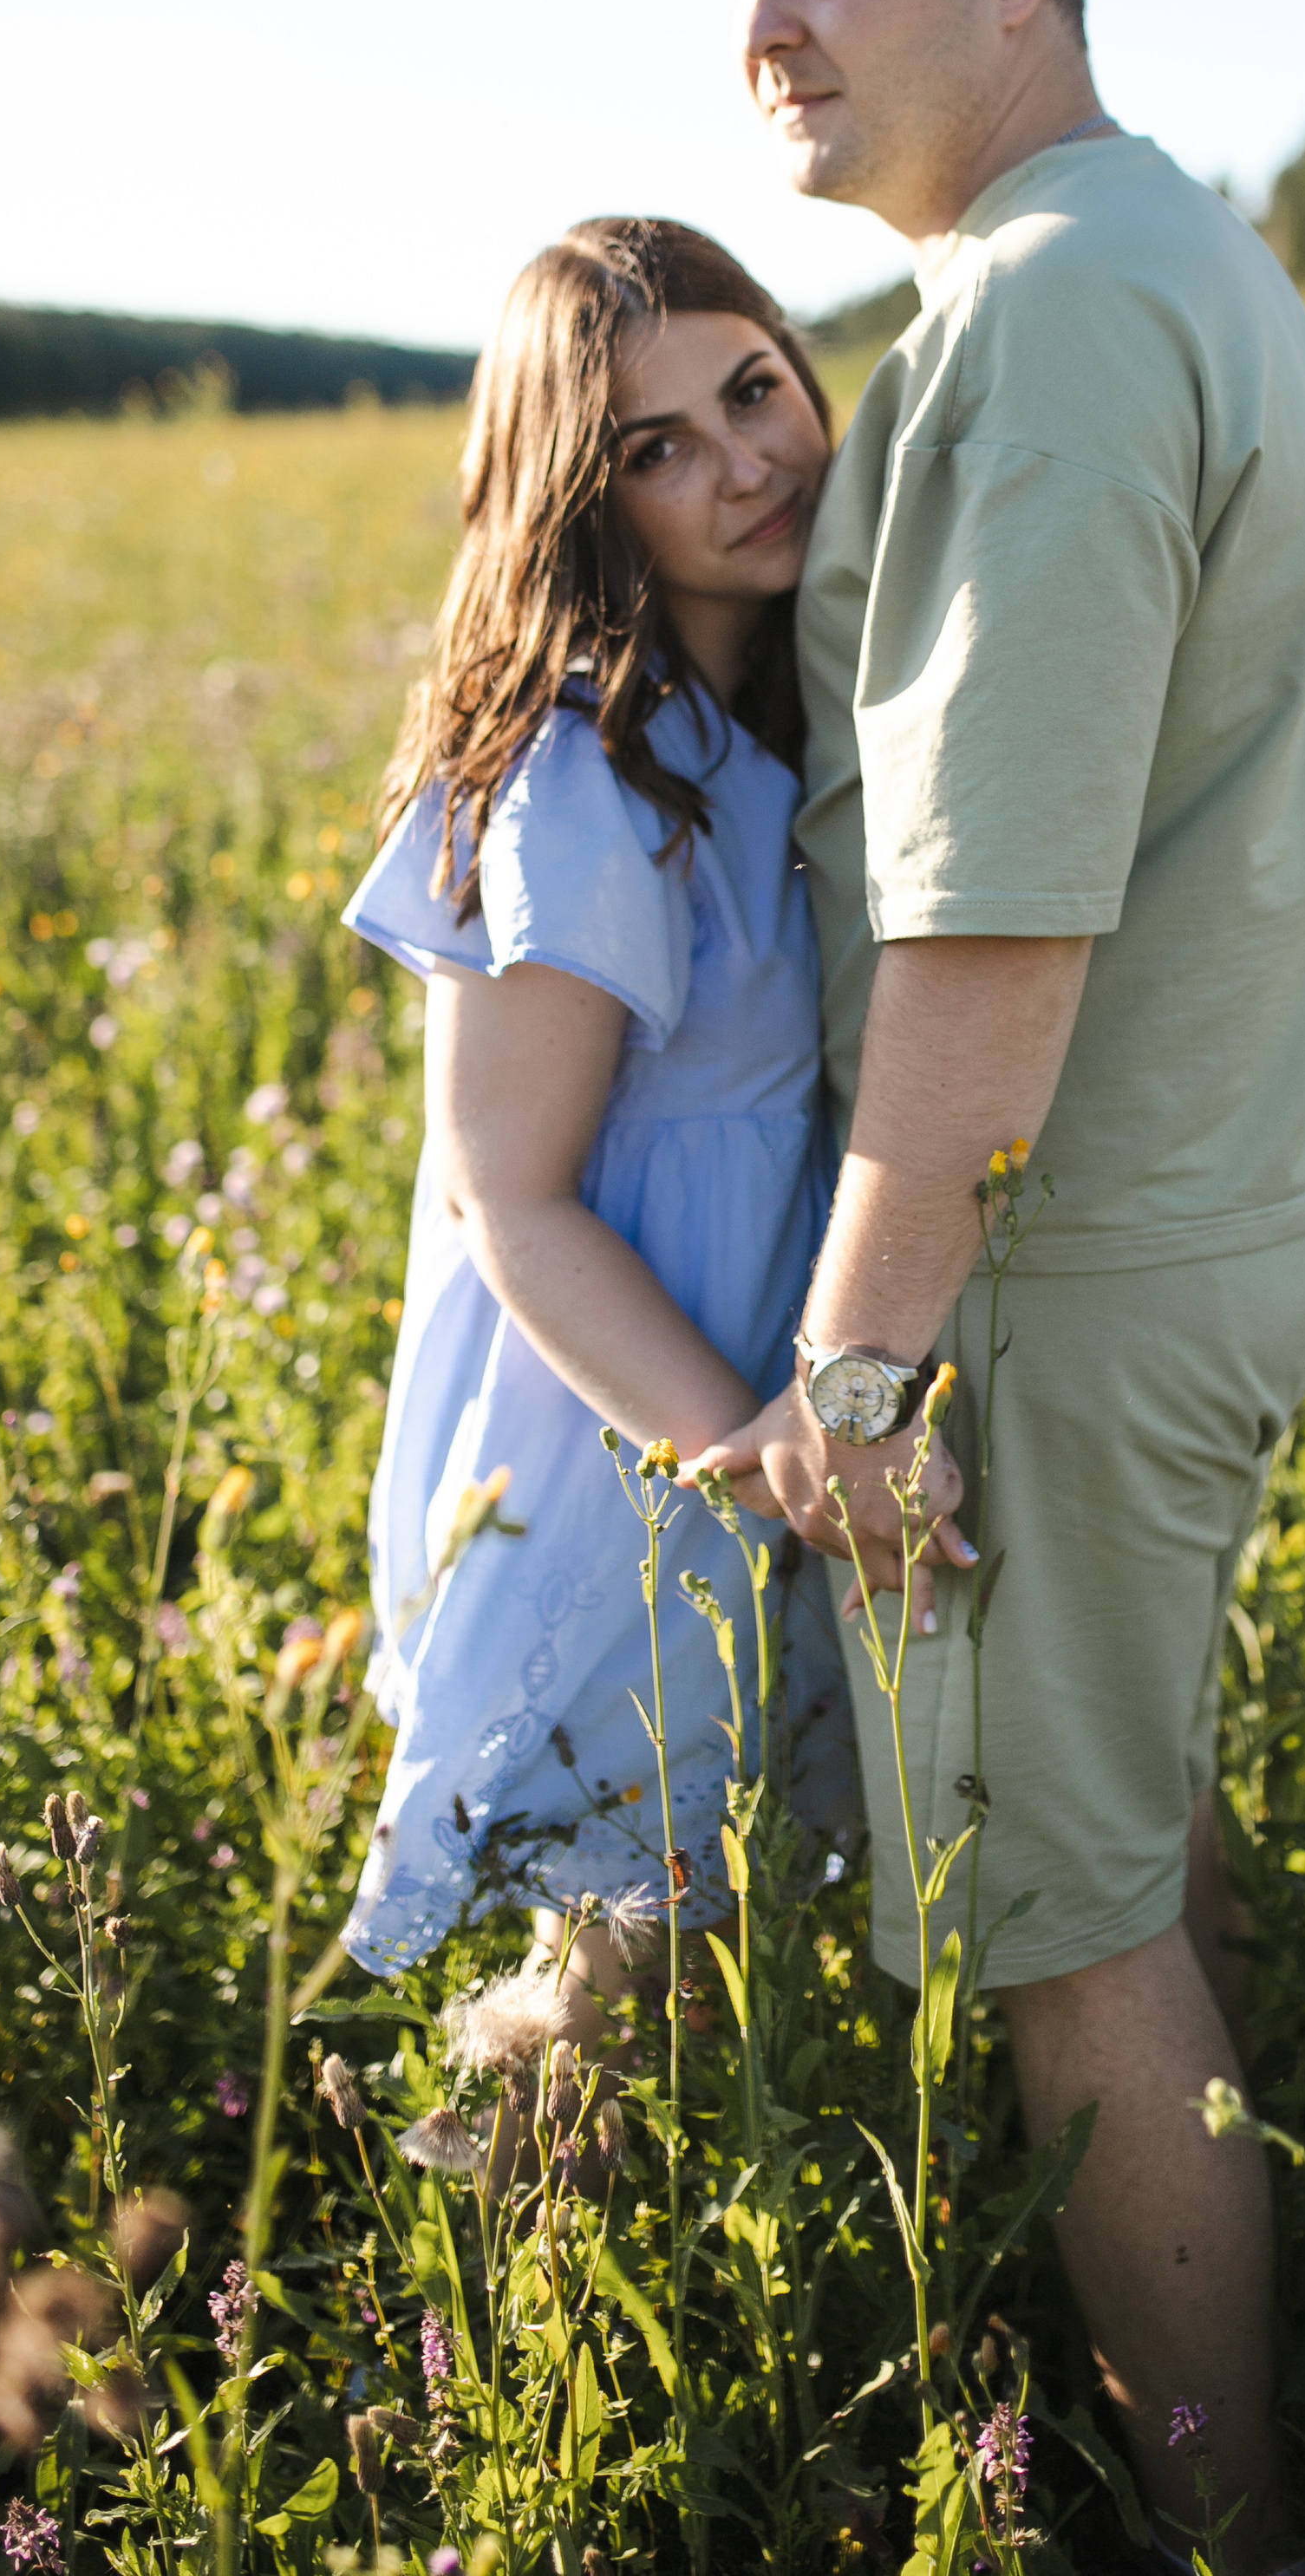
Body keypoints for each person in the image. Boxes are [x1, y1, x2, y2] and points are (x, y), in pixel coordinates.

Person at [693, 0, 1305, 2574]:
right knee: (1124, 1842)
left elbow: (995, 913)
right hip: (1202, 1203)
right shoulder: (1169, 257)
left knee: (1066, 1938)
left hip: (1063, 1262)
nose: (768, 24)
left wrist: (859, 1362)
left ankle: (1231, 2535)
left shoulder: (1040, 311)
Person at [336, 217, 855, 2011]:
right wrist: (749, 1456)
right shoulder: (581, 765)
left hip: (759, 1384)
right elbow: (509, 1196)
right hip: (629, 1426)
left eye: (754, 391)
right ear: (579, 500)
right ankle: (496, 2198)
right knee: (619, 1961)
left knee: (714, 1934)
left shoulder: (763, 710)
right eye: (657, 450)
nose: (745, 464)